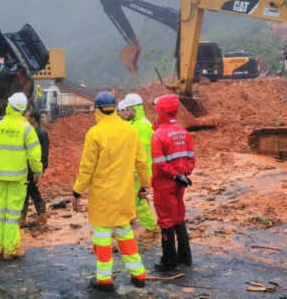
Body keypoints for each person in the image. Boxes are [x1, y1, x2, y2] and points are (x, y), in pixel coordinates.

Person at [72, 91, 150, 292]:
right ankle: (138, 274)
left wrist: (77, 192)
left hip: (102, 199)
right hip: (123, 196)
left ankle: (104, 279)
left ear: (97, 110)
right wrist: (144, 185)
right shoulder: (130, 131)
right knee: (125, 234)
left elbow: (87, 168)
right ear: (115, 108)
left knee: (102, 238)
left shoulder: (95, 133)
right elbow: (141, 162)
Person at [0, 92, 43, 261]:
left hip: (0, 177)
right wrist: (38, 172)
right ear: (23, 110)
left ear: (9, 106)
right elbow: (33, 156)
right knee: (12, 215)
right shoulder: (27, 129)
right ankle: (10, 249)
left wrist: (3, 158)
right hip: (17, 178)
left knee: (0, 212)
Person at [151, 94, 195, 271]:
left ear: (160, 111)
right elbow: (191, 158)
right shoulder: (183, 132)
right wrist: (183, 175)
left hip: (164, 184)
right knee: (178, 216)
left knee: (166, 220)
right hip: (180, 183)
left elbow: (159, 163)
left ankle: (169, 261)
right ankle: (185, 257)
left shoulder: (159, 135)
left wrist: (175, 175)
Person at [122, 93, 160, 238]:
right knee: (134, 198)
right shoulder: (136, 124)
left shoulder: (142, 126)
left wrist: (134, 171)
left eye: (127, 110)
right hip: (138, 170)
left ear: (134, 109)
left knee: (139, 200)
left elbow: (140, 153)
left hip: (141, 171)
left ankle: (152, 227)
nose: (125, 113)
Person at [21, 110, 49, 226]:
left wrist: (40, 169)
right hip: (29, 166)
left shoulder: (40, 133)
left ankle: (22, 218)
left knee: (26, 191)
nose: (24, 117)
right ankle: (41, 215)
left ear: (33, 119)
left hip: (33, 168)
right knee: (33, 191)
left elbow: (43, 153)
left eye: (27, 115)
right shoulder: (32, 132)